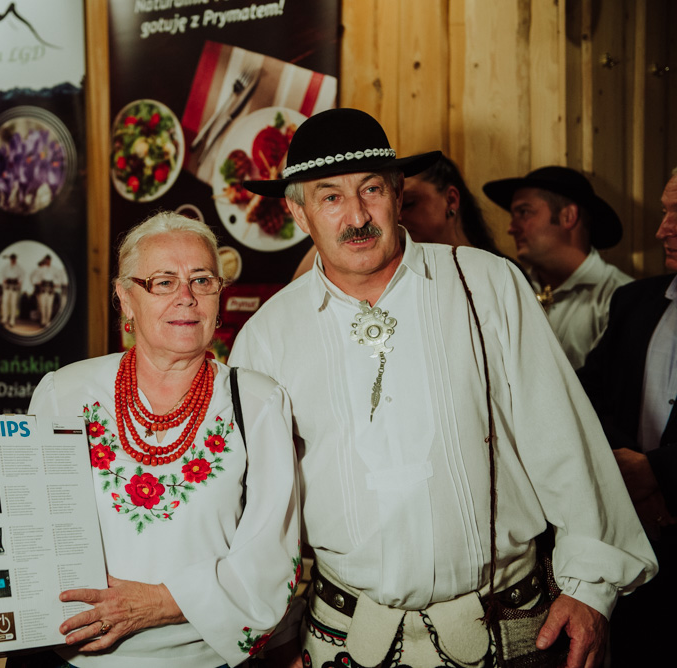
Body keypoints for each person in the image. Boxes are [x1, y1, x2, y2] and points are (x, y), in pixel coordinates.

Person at [227, 108, 657, 668]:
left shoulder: (487, 283)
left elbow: (562, 438)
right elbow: (263, 511)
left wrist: (590, 587)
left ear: (397, 193)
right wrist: (277, 635)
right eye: (329, 197)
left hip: (508, 631)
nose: (357, 216)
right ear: (298, 213)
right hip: (342, 640)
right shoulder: (267, 336)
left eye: (371, 189)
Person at [17, 211, 300, 668]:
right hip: (71, 657)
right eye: (163, 282)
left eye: (202, 280)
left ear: (219, 296)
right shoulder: (63, 393)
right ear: (125, 299)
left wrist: (156, 604)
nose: (186, 297)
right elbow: (28, 531)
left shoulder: (258, 402)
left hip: (201, 662)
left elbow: (273, 556)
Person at [577, 167, 677, 666]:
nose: (662, 229)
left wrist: (657, 472)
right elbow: (587, 394)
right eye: (664, 212)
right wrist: (629, 467)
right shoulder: (636, 301)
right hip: (637, 548)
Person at [482, 166, 631, 369]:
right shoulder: (511, 288)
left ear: (568, 216)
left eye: (524, 212)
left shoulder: (616, 297)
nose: (511, 228)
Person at [293, 154, 507, 280]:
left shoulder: (495, 274)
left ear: (451, 200)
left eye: (372, 190)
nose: (397, 216)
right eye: (331, 198)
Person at [30, 255, 66, 327]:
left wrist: (56, 283)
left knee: (49, 306)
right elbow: (35, 278)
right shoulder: (41, 269)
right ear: (45, 260)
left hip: (51, 289)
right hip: (43, 289)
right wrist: (37, 282)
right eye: (46, 260)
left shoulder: (54, 269)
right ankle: (43, 321)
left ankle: (47, 321)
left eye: (48, 260)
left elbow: (59, 278)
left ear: (50, 260)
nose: (47, 261)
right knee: (43, 306)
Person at [0, 253, 25, 327]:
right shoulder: (6, 267)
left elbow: (23, 275)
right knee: (5, 302)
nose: (13, 260)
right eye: (12, 258)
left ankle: (12, 321)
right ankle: (4, 319)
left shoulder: (19, 267)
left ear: (15, 259)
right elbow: (1, 274)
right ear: (10, 259)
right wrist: (3, 279)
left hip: (14, 286)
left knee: (13, 303)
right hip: (7, 286)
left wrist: (20, 281)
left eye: (14, 258)